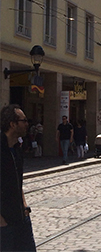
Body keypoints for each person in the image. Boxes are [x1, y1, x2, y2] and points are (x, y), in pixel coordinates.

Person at [1, 105, 36, 252]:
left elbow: (18, 182)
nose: (27, 124)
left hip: (21, 217)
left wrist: (25, 206)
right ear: (12, 124)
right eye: (24, 121)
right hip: (4, 223)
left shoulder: (17, 148)